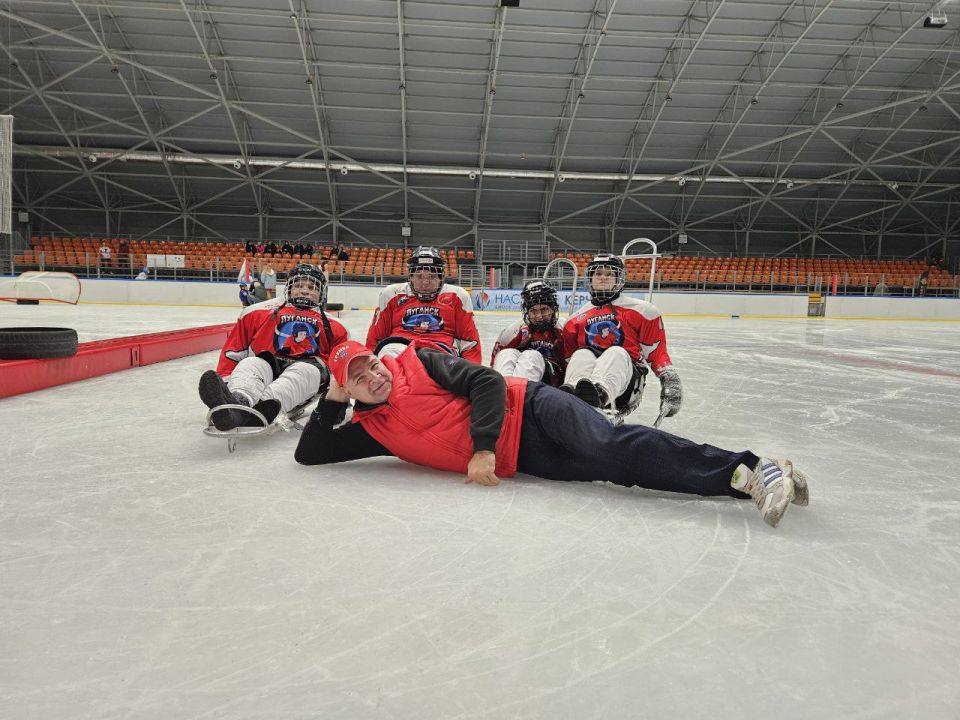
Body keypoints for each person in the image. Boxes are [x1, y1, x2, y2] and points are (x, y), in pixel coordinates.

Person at [294, 340, 811, 529]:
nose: (373, 376)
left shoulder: (417, 362)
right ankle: (747, 480)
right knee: (620, 470)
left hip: (533, 407)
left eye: (371, 365)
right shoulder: (373, 429)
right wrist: (331, 400)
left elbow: (487, 381)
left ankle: (751, 468)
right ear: (348, 391)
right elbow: (311, 454)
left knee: (610, 444)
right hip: (526, 457)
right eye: (358, 378)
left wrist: (481, 450)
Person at [199, 263, 349, 432]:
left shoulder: (336, 326)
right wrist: (225, 380)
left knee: (303, 372)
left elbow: (343, 368)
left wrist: (337, 403)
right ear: (289, 288)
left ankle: (260, 407)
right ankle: (238, 402)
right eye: (299, 285)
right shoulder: (255, 313)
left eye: (311, 287)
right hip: (269, 363)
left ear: (321, 292)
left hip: (309, 368)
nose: (305, 291)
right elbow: (234, 351)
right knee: (250, 363)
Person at [561, 253, 682, 423]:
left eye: (609, 274)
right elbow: (568, 361)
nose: (603, 278)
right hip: (587, 378)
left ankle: (599, 395)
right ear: (590, 278)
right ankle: (572, 396)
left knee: (616, 352)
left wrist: (671, 382)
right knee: (581, 355)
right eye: (598, 273)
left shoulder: (643, 311)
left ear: (619, 279)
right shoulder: (573, 321)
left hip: (627, 385)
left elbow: (657, 354)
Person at [365, 246, 482, 362]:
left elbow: (470, 343)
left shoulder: (457, 296)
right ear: (411, 277)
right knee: (388, 355)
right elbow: (375, 340)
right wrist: (370, 367)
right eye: (419, 276)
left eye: (432, 276)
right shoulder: (392, 294)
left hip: (440, 351)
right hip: (398, 348)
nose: (425, 282)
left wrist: (471, 372)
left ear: (441, 278)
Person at [491, 280, 565, 385]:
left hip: (551, 383)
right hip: (523, 378)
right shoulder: (513, 332)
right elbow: (494, 364)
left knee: (531, 356)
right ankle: (504, 390)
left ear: (553, 309)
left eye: (544, 310)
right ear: (527, 312)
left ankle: (517, 391)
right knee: (505, 354)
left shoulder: (564, 330)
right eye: (533, 311)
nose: (539, 316)